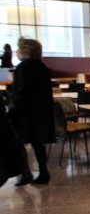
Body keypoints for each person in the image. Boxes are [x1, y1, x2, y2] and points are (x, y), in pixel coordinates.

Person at [8, 38, 54, 186]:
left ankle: (25, 172)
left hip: (25, 112)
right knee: (38, 143)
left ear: (25, 51)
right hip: (41, 110)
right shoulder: (42, 67)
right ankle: (43, 171)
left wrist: (12, 108)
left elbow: (21, 91)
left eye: (19, 49)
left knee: (18, 141)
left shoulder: (23, 68)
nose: (17, 52)